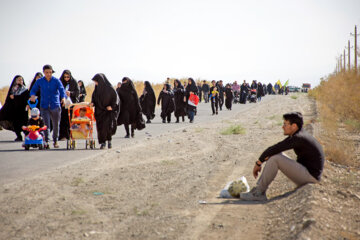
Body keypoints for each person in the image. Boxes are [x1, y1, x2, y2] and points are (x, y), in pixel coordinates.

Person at [240, 112, 324, 201]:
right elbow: (276, 148)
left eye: (285, 124)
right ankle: (259, 190)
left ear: (294, 126)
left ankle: (259, 192)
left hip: (310, 178)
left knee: (276, 158)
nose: (282, 127)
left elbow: (274, 149)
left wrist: (258, 163)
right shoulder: (299, 134)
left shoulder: (298, 138)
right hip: (308, 174)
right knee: (276, 155)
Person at [30, 65, 66, 148]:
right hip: (44, 105)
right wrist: (32, 95)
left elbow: (61, 90)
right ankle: (47, 141)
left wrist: (63, 98)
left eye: (50, 72)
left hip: (55, 105)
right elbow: (33, 90)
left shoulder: (56, 81)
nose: (48, 74)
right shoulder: (40, 81)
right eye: (47, 72)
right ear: (44, 72)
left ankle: (55, 140)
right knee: (46, 125)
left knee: (56, 124)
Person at [91, 73, 120, 149]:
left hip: (108, 111)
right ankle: (103, 143)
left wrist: (112, 107)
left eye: (96, 81)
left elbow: (115, 99)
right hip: (99, 112)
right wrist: (92, 103)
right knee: (100, 128)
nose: (96, 83)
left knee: (107, 127)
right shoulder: (96, 89)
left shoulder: (110, 89)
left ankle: (109, 141)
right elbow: (94, 98)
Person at [0, 75, 29, 141]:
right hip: (14, 111)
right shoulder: (13, 89)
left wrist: (15, 97)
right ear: (15, 81)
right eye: (18, 80)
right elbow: (8, 100)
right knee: (16, 124)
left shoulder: (25, 90)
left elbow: (25, 99)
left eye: (21, 80)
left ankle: (27, 136)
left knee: (24, 124)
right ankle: (19, 137)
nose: (20, 81)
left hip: (23, 111)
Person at [59, 70, 80, 140]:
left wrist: (71, 93)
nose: (66, 78)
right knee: (63, 119)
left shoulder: (74, 82)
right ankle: (63, 136)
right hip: (63, 104)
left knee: (71, 120)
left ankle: (72, 135)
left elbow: (77, 92)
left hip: (72, 104)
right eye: (65, 77)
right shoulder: (60, 82)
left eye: (68, 77)